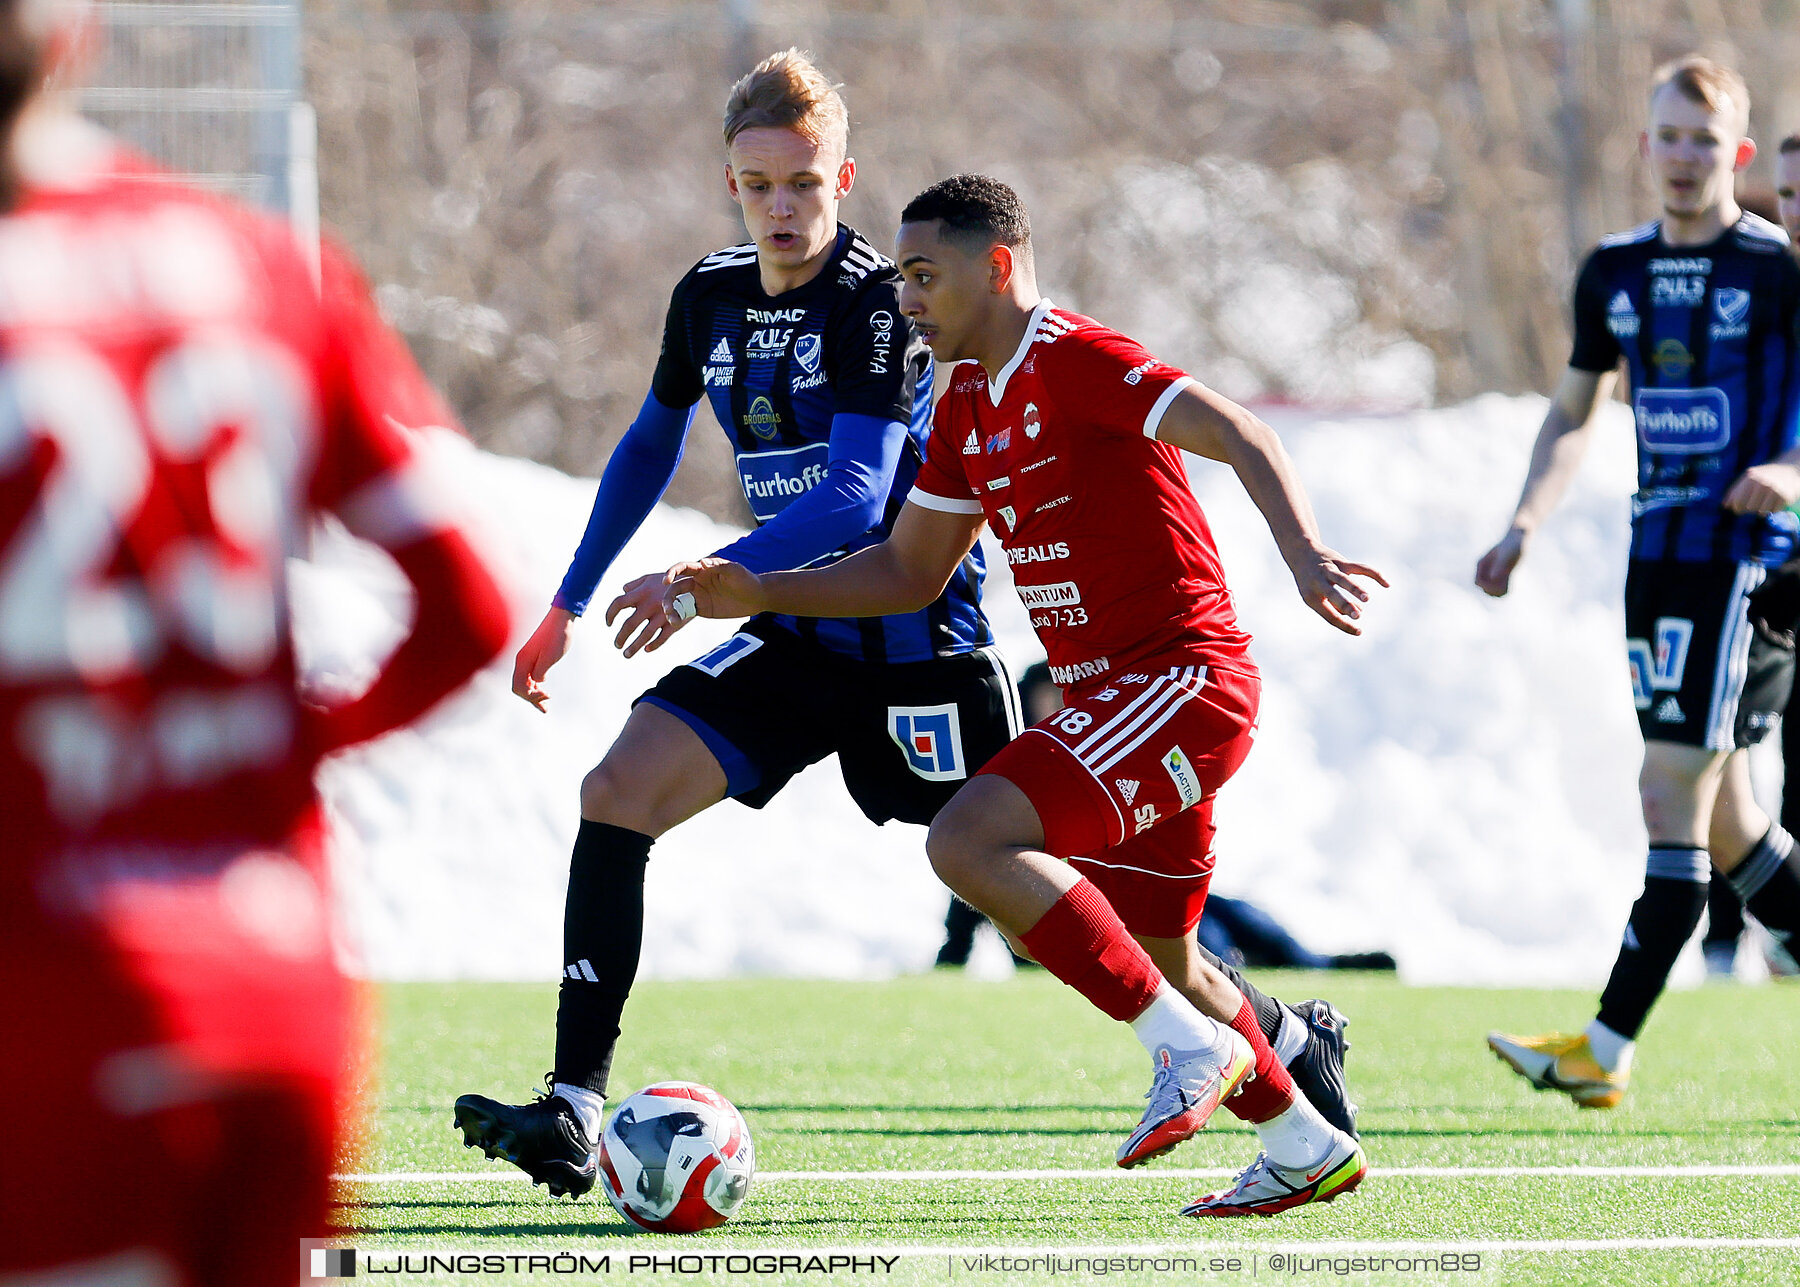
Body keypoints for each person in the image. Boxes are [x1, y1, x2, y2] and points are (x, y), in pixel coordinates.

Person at [454, 51, 1359, 1202]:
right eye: (756, 185)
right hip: (809, 634)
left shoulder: (898, 311)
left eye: (804, 184)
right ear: (728, 184)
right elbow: (702, 470)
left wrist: (711, 577)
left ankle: (1241, 1040)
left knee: (1042, 886)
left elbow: (860, 509)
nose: (781, 209)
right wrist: (584, 601)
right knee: (616, 790)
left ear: (844, 177)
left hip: (931, 655)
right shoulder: (751, 313)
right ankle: (575, 1103)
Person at [666, 174, 1386, 1216]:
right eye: (901, 277)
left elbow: (1241, 432)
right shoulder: (961, 402)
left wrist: (1307, 553)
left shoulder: (1074, 357)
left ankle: (1186, 1054)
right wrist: (757, 590)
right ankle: (1302, 1137)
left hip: (1180, 680)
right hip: (1114, 697)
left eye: (924, 276)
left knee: (967, 842)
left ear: (996, 268)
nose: (904, 298)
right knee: (1162, 951)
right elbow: (909, 570)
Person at [0, 3, 513, 1282]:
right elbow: (468, 613)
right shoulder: (264, 266)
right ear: (77, 41)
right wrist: (282, 745)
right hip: (278, 997)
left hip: (46, 1000)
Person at [1478, 58, 1800, 1108]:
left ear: (1737, 154)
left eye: (1705, 141)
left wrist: (1790, 474)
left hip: (1741, 567)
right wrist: (1524, 520)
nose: (1683, 157)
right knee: (1730, 826)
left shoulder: (1779, 269)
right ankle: (1607, 1050)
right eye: (1668, 135)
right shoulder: (1611, 272)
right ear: (1644, 143)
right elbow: (1574, 410)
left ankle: (1605, 1048)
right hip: (1653, 560)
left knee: (1669, 793)